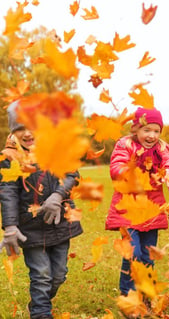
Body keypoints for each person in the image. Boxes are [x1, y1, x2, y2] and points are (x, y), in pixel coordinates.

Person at [0, 101, 83, 319]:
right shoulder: (10, 158)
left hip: (59, 224)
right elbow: (7, 191)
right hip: (30, 227)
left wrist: (57, 195)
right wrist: (10, 226)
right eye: (20, 128)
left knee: (59, 275)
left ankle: (39, 302)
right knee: (41, 275)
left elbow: (71, 174)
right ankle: (40, 313)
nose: (27, 133)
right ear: (13, 131)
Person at [105, 107, 169, 298]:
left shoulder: (161, 149)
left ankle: (146, 292)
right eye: (147, 130)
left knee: (148, 255)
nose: (151, 135)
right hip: (128, 209)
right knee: (133, 253)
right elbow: (116, 166)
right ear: (136, 129)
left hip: (151, 210)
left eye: (156, 131)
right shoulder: (125, 146)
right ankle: (128, 294)